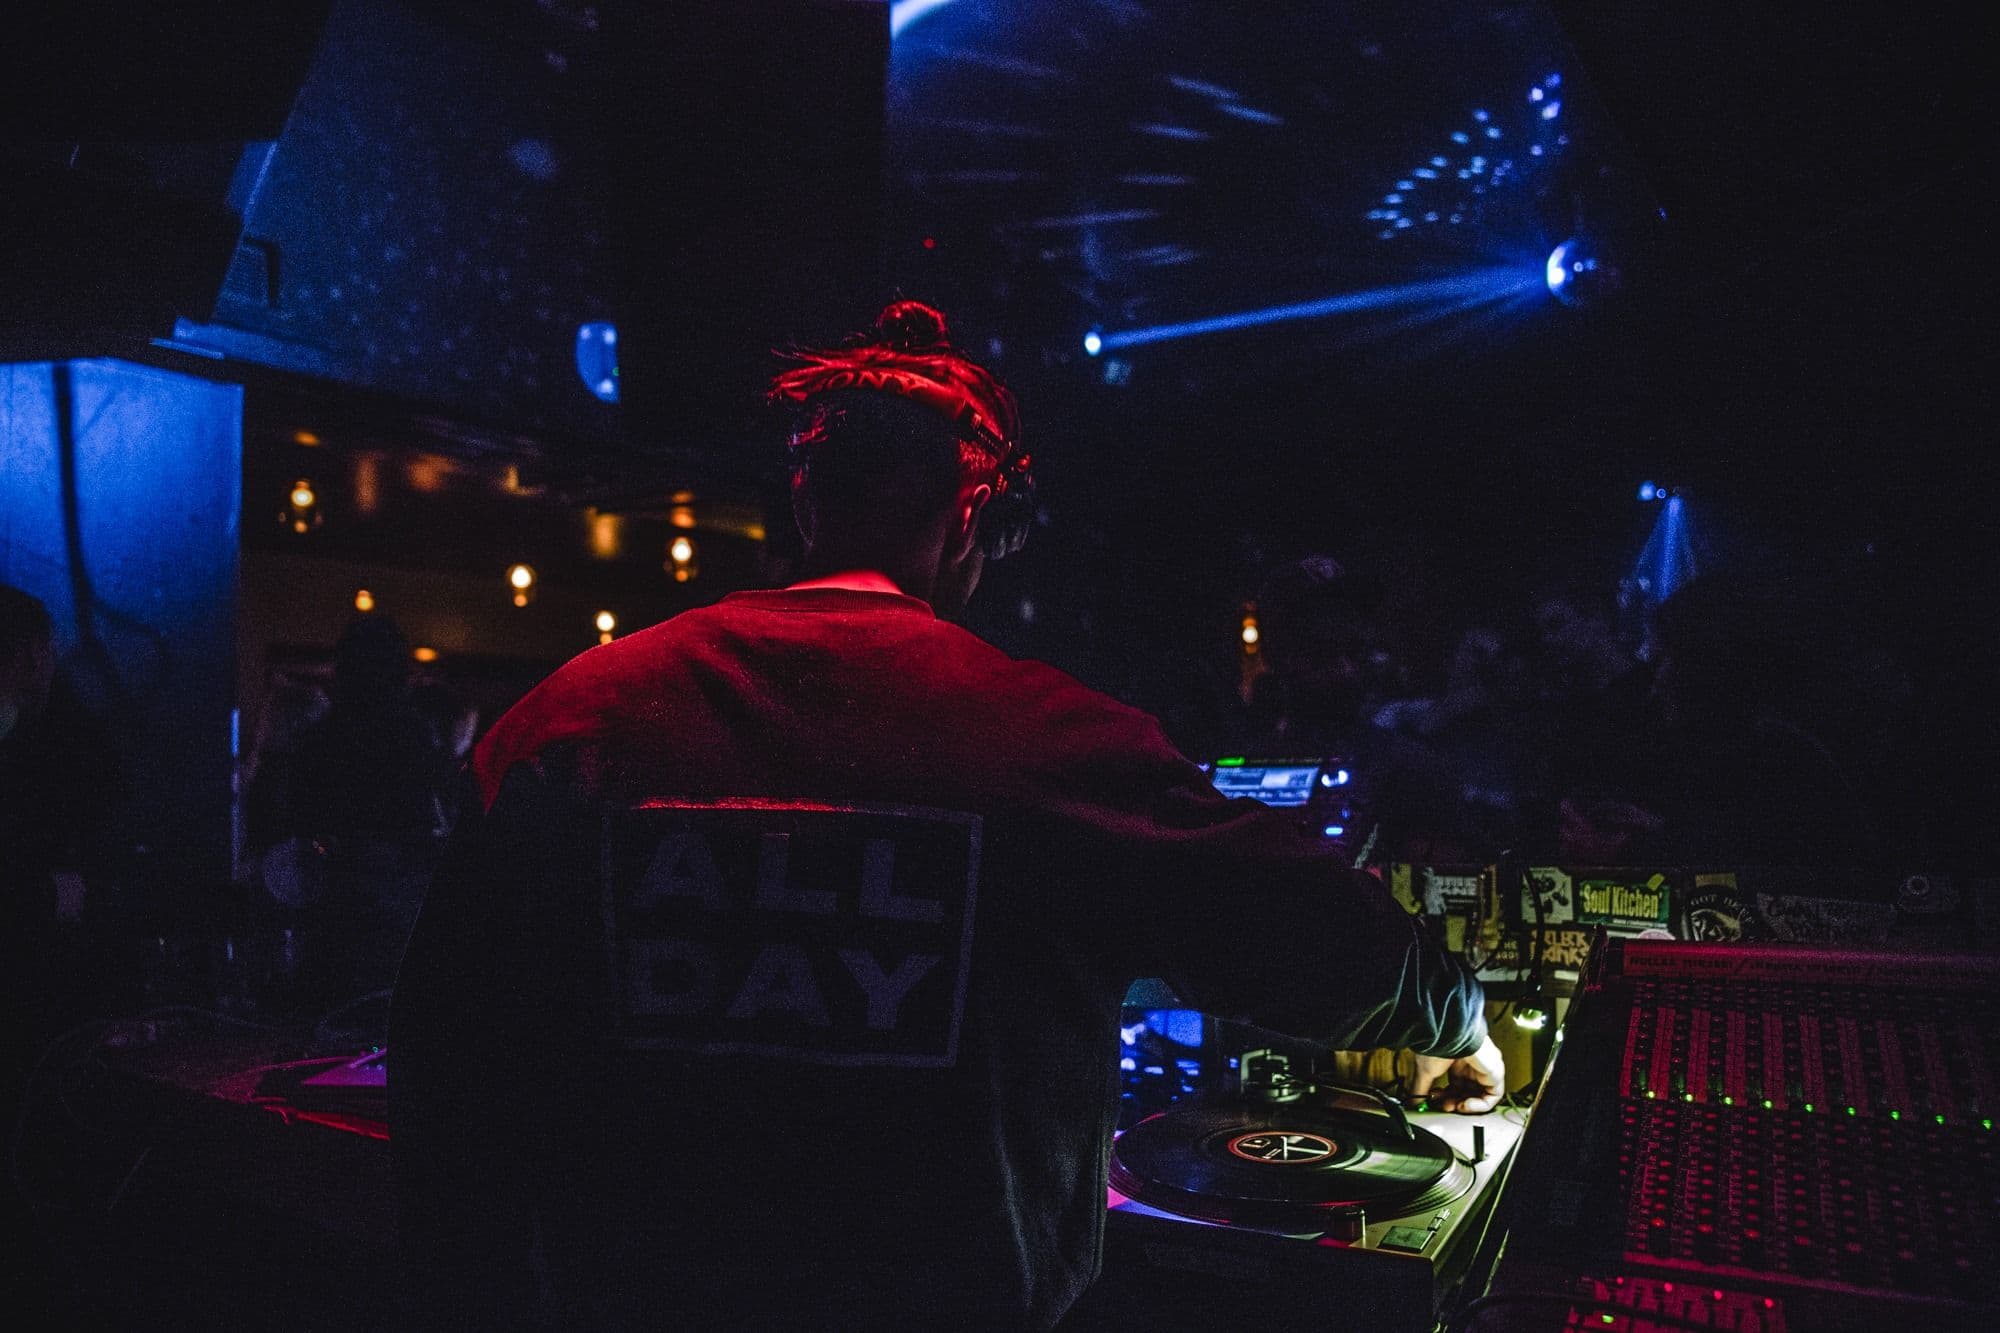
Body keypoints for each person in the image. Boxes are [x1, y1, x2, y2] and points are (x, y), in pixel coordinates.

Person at [390, 301, 1502, 1330]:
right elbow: (1320, 937)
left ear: (807, 500)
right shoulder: (1055, 742)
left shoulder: (563, 723)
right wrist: (1457, 1023)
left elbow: (447, 1073)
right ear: (972, 511)